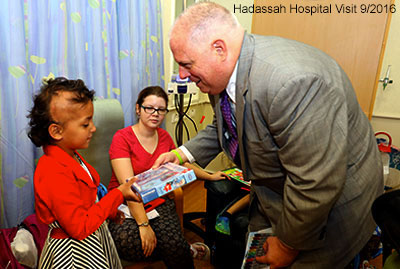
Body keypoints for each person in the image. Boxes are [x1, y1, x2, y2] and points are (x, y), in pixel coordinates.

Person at [153, 2, 384, 268]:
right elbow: (224, 126)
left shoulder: (293, 82)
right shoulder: (223, 72)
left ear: (219, 49)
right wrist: (179, 155)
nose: (181, 75)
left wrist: (287, 245)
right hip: (276, 192)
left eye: (185, 64)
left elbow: (316, 182)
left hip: (329, 210)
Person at [107, 86, 226, 268]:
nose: (155, 113)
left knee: (171, 244)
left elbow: (181, 165)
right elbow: (129, 186)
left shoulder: (164, 137)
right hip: (125, 203)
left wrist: (209, 176)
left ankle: (179, 247)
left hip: (158, 201)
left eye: (161, 109)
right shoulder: (122, 138)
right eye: (149, 108)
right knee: (131, 244)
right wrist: (144, 224)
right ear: (138, 109)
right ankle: (186, 248)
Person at [27, 77, 140, 268]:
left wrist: (110, 212)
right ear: (56, 131)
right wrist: (117, 194)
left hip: (93, 239)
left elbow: (87, 198)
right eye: (85, 124)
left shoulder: (71, 156)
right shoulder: (52, 171)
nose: (93, 128)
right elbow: (79, 228)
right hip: (73, 253)